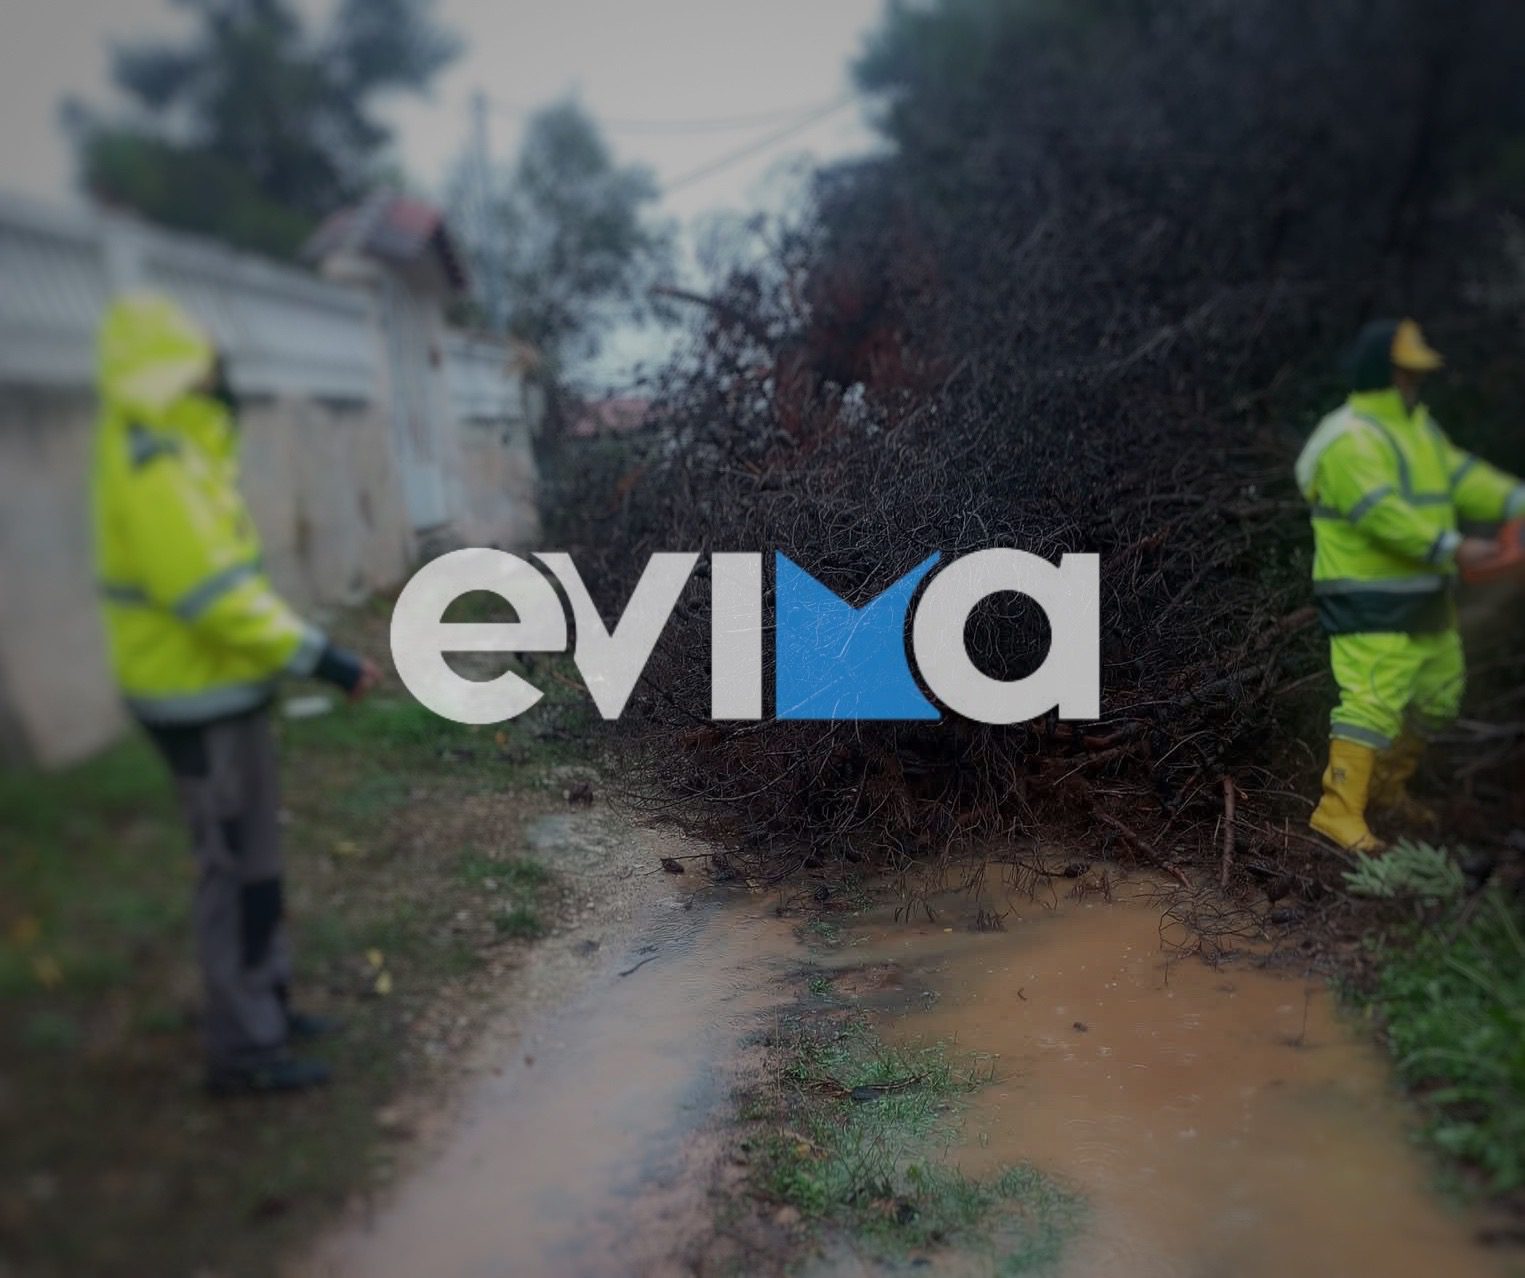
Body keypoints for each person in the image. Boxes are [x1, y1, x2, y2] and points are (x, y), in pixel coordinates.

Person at [93, 292, 380, 1094]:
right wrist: (324, 660)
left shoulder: (179, 449)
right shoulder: (155, 462)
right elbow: (216, 599)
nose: (221, 373)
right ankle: (245, 1051)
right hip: (197, 700)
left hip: (216, 692)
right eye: (205, 360)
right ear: (169, 368)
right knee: (232, 871)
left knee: (256, 863)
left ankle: (267, 1007)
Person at [1294, 318, 1525, 854]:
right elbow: (1383, 515)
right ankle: (1337, 810)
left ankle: (1385, 789)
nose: (1414, 381)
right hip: (1368, 599)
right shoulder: (1349, 437)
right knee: (1371, 702)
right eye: (1405, 371)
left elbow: (1463, 477)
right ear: (1381, 370)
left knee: (1439, 696)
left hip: (1426, 597)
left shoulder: (1417, 428)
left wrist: (1516, 500)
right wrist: (1454, 547)